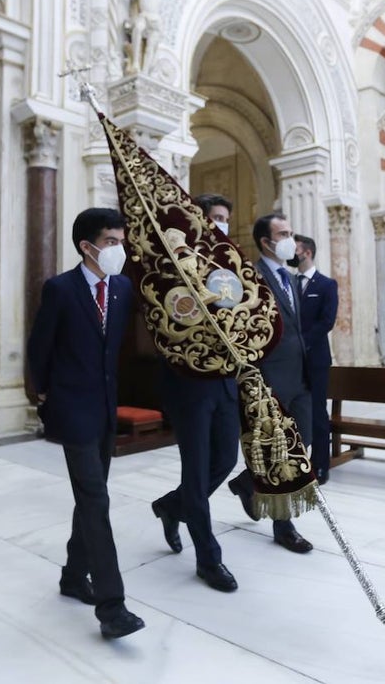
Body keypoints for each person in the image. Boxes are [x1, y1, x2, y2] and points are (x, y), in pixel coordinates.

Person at [27, 207, 145, 640]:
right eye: (112, 242)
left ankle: (73, 576)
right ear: (87, 246)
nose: (119, 249)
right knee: (96, 499)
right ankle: (112, 606)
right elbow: (39, 349)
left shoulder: (124, 288)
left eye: (120, 241)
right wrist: (42, 399)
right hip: (72, 409)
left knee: (91, 497)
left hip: (106, 409)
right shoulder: (60, 289)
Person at [150, 194, 241, 593]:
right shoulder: (172, 264)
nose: (220, 224)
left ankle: (172, 506)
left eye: (225, 218)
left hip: (224, 381)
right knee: (197, 465)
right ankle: (208, 558)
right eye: (214, 217)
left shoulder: (231, 267)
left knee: (226, 457)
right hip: (188, 382)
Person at [227, 213, 314, 554]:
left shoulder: (290, 277)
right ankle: (284, 525)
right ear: (266, 241)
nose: (291, 239)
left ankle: (246, 482)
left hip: (300, 377)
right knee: (282, 456)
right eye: (284, 234)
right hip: (270, 378)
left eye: (291, 232)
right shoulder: (250, 277)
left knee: (302, 442)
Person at [292, 234, 338, 482]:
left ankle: (321, 464)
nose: (291, 252)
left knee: (318, 412)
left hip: (315, 358)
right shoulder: (288, 282)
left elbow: (326, 321)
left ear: (307, 252)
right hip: (291, 360)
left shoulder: (326, 284)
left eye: (296, 248)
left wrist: (302, 343)